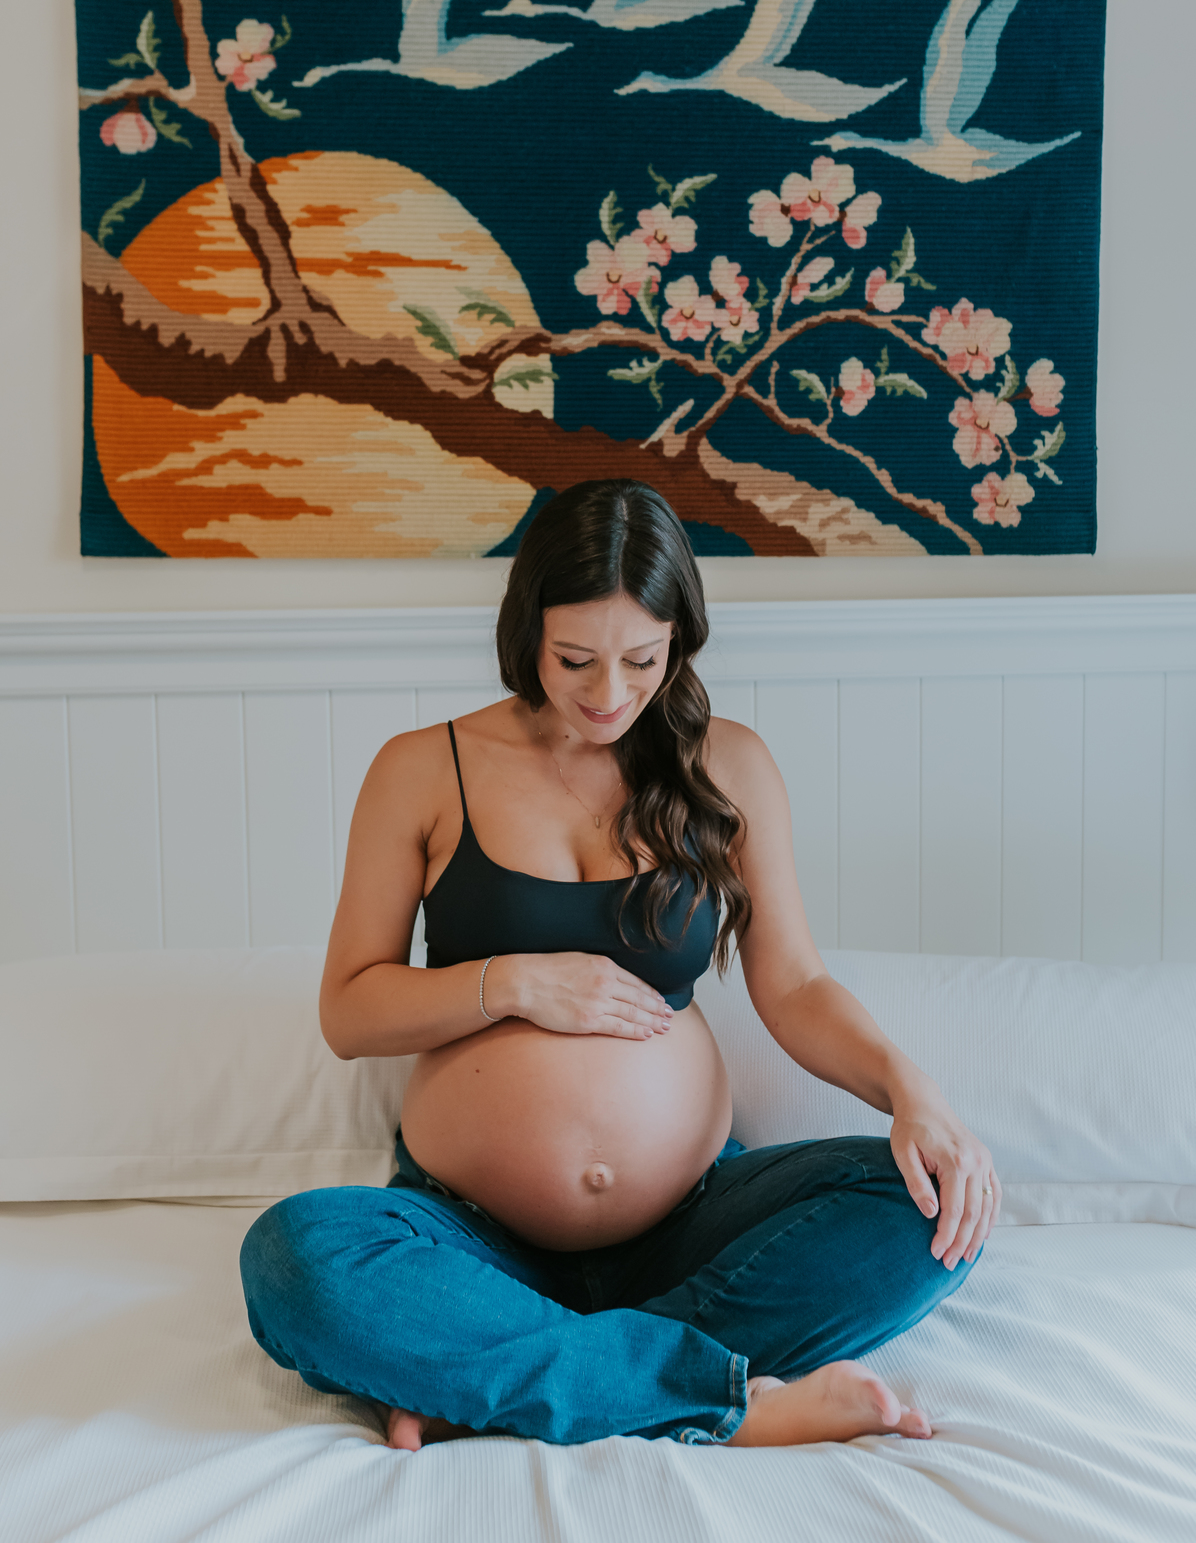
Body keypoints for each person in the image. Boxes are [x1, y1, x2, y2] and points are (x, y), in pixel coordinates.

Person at [240, 479, 999, 1450]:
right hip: (470, 1237)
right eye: (574, 659)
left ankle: (498, 1376)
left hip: (692, 1222)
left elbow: (795, 984)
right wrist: (512, 982)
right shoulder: (423, 768)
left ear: (680, 635)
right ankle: (724, 1401)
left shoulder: (731, 766)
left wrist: (911, 1092)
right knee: (296, 1255)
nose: (607, 694)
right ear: (527, 633)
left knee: (929, 1209)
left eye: (642, 659)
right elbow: (350, 1011)